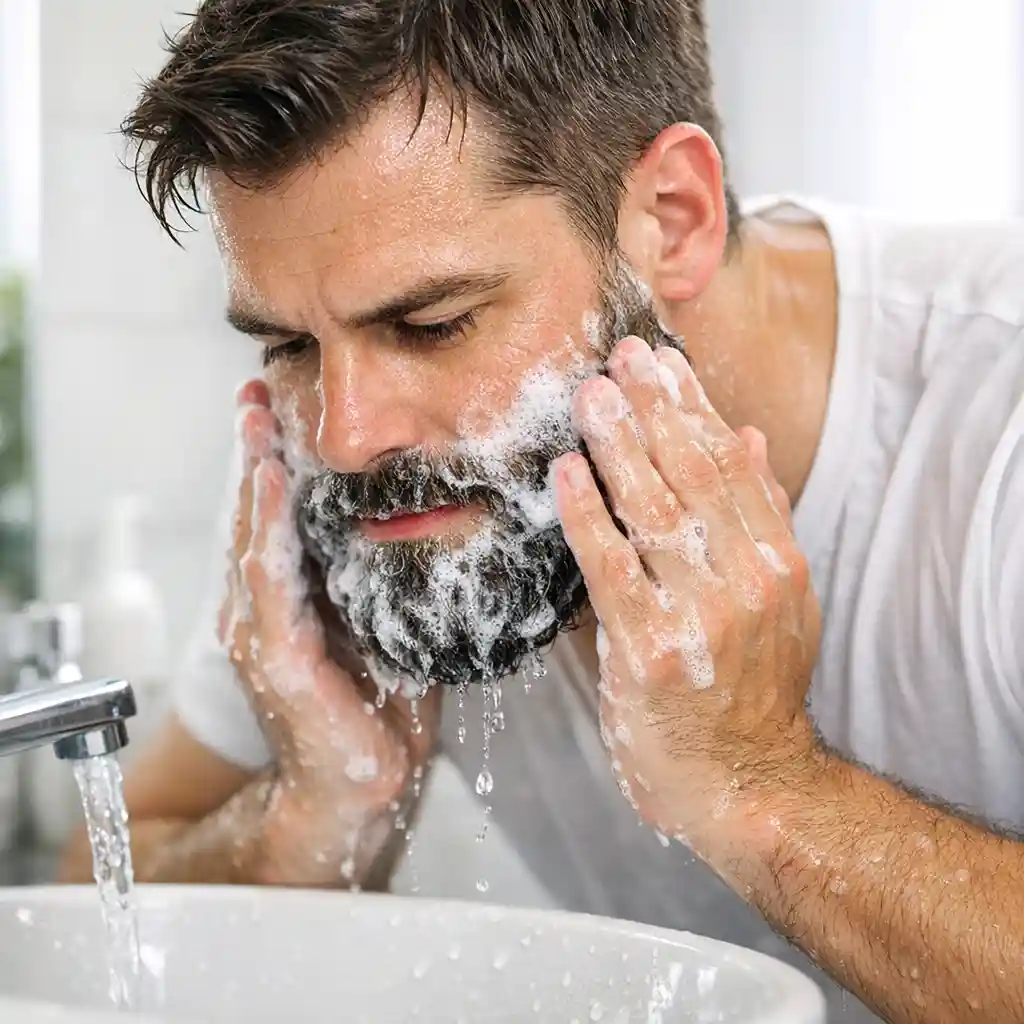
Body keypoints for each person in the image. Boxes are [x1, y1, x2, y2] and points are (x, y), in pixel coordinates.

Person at [58, 2, 1024, 1022]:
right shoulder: (356, 462)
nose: (342, 434)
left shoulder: (992, 423)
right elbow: (89, 910)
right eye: (286, 345)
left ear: (671, 219)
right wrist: (311, 810)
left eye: (431, 324)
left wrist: (765, 789)